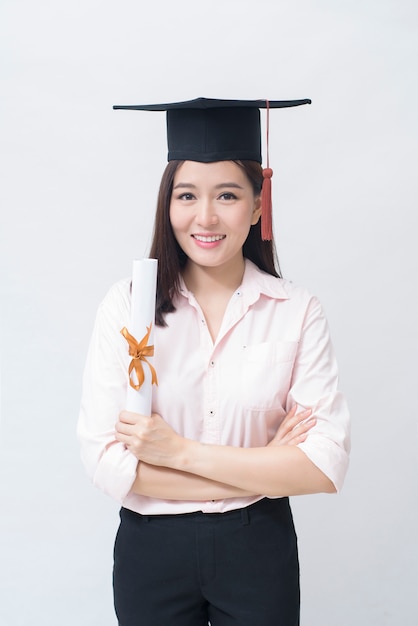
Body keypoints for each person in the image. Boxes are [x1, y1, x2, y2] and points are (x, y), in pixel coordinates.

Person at [77, 98, 350, 626]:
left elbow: (321, 465)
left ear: (257, 205)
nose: (205, 217)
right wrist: (262, 470)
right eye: (187, 196)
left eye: (227, 195)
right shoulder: (126, 306)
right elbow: (108, 461)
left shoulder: (295, 312)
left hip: (257, 548)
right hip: (150, 552)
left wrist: (176, 452)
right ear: (168, 205)